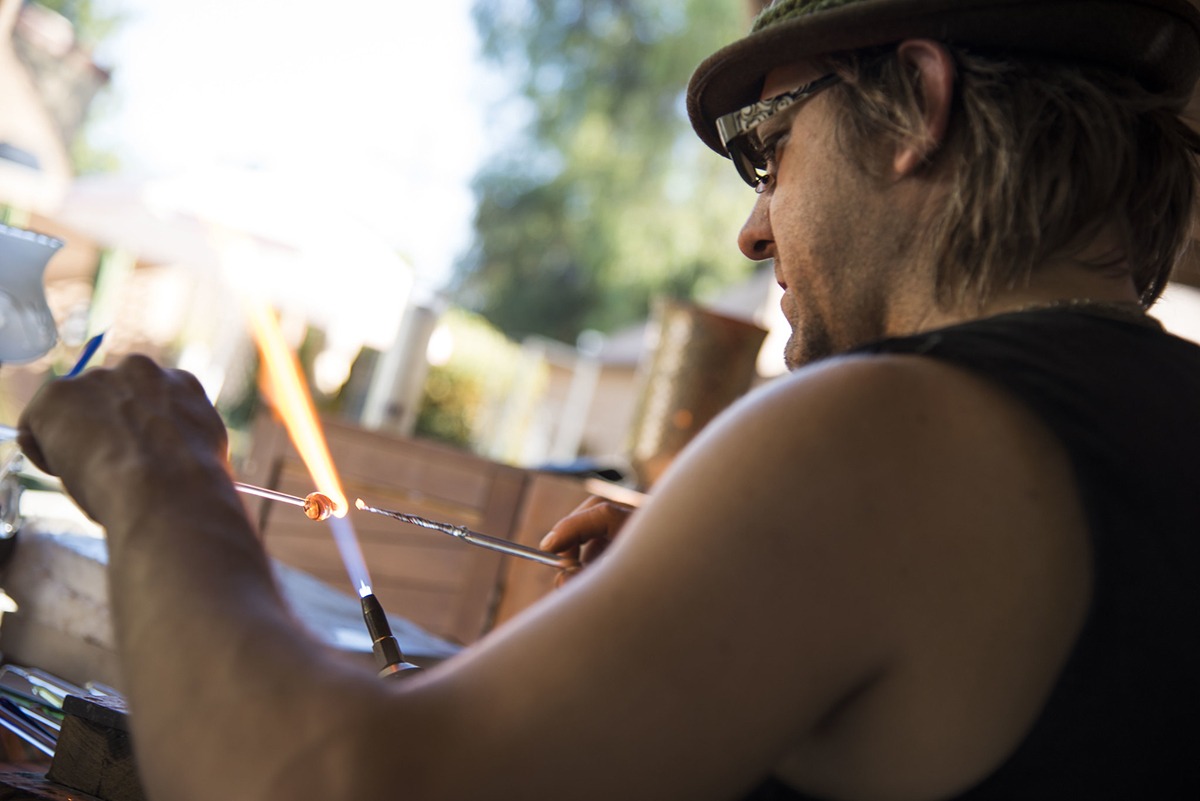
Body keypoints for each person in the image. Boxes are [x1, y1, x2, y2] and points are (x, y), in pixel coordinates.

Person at [16, 0, 1200, 798]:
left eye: (766, 150)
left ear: (920, 108)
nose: (751, 227)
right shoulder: (1138, 425)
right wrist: (727, 571)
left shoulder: (894, 436)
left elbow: (319, 782)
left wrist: (154, 477)